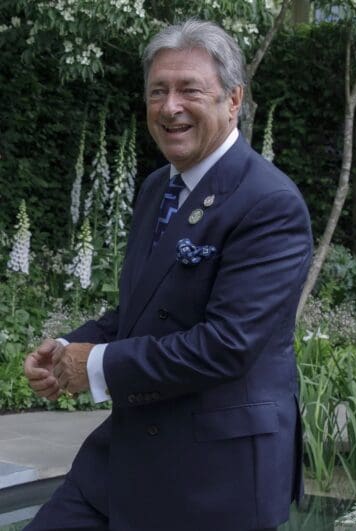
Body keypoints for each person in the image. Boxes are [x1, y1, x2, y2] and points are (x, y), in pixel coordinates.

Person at [22, 19, 312, 531]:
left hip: (213, 479)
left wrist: (95, 366)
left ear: (233, 100)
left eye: (188, 90)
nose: (170, 106)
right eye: (158, 91)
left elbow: (227, 345)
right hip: (124, 460)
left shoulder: (269, 203)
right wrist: (67, 349)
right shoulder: (159, 187)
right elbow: (142, 310)